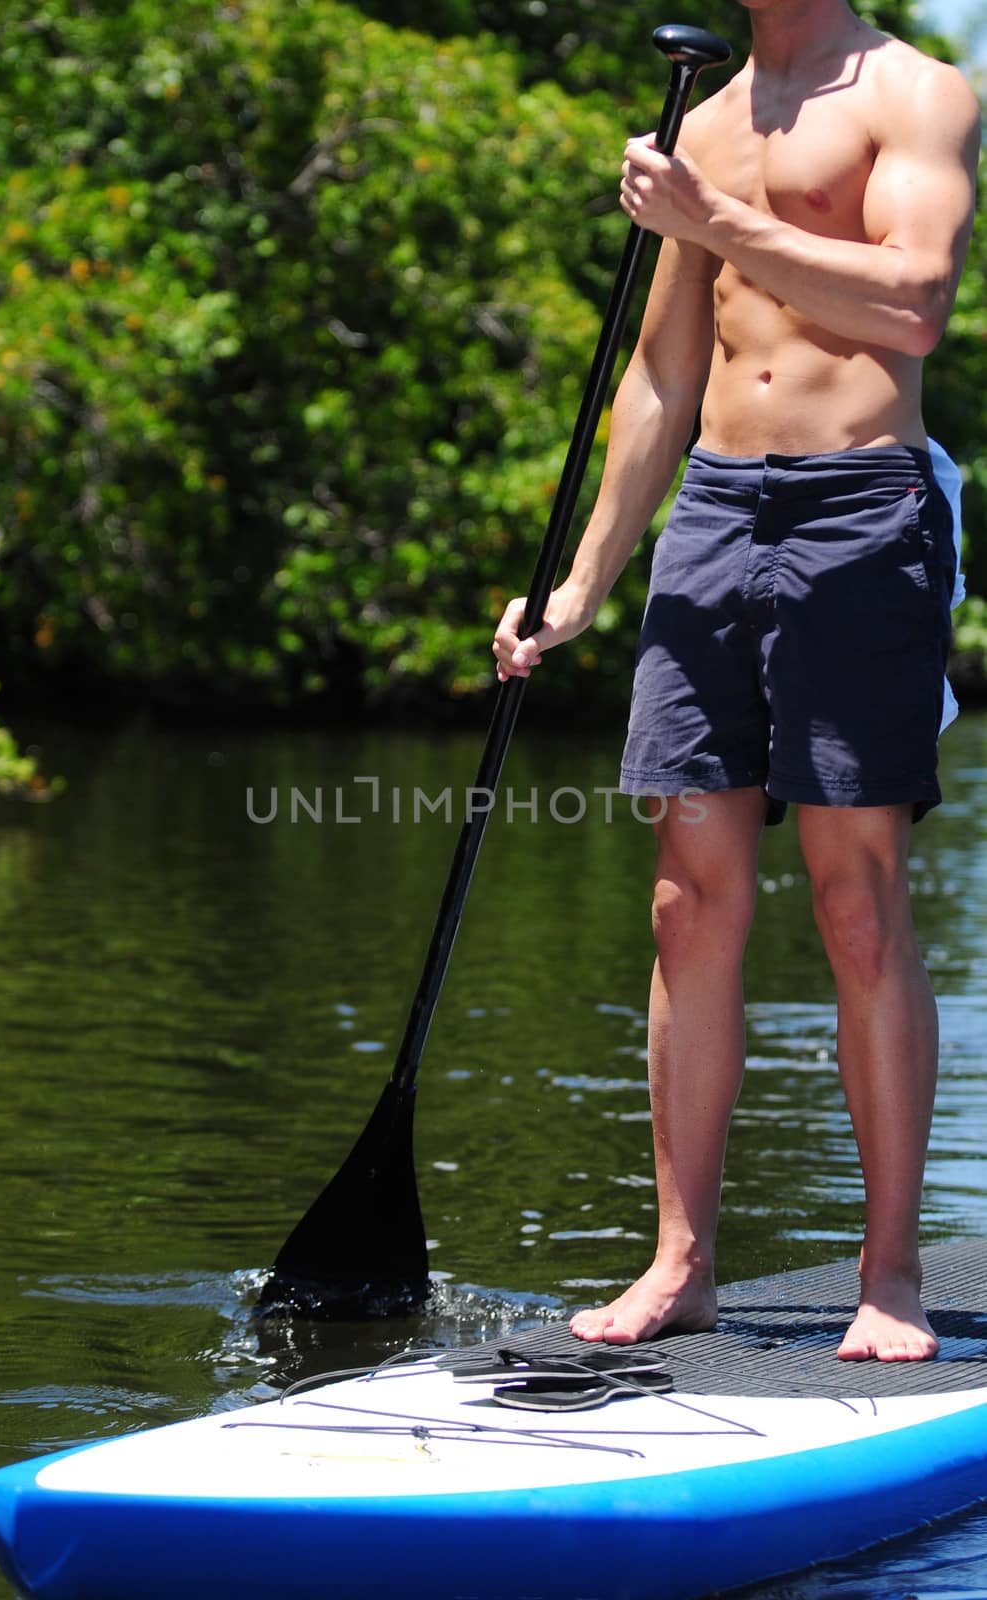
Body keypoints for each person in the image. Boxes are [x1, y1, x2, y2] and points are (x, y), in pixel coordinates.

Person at [492, 0, 980, 1362]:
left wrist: (715, 220)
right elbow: (659, 370)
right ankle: (681, 1262)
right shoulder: (701, 117)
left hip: (858, 510)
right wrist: (583, 581)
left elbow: (914, 303)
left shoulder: (916, 91)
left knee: (854, 897)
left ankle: (888, 1278)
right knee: (685, 899)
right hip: (713, 514)